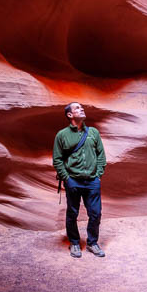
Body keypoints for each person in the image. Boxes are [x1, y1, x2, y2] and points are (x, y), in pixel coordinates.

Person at [53, 102, 107, 258]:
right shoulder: (62, 135)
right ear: (70, 115)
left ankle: (92, 243)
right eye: (77, 108)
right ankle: (75, 243)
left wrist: (98, 174)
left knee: (95, 213)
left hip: (92, 181)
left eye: (81, 107)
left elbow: (101, 156)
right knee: (72, 214)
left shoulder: (93, 132)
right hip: (73, 181)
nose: (81, 109)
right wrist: (67, 179)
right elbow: (57, 160)